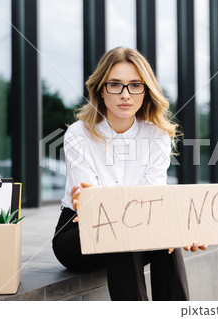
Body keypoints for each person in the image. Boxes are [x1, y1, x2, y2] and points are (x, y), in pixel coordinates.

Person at [52, 47, 206, 301]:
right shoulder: (79, 134)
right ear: (101, 89)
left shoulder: (156, 135)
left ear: (145, 92)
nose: (125, 95)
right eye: (115, 85)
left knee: (159, 240)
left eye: (135, 85)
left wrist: (181, 229)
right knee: (124, 229)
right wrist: (114, 206)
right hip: (78, 234)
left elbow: (154, 196)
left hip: (133, 226)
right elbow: (91, 206)